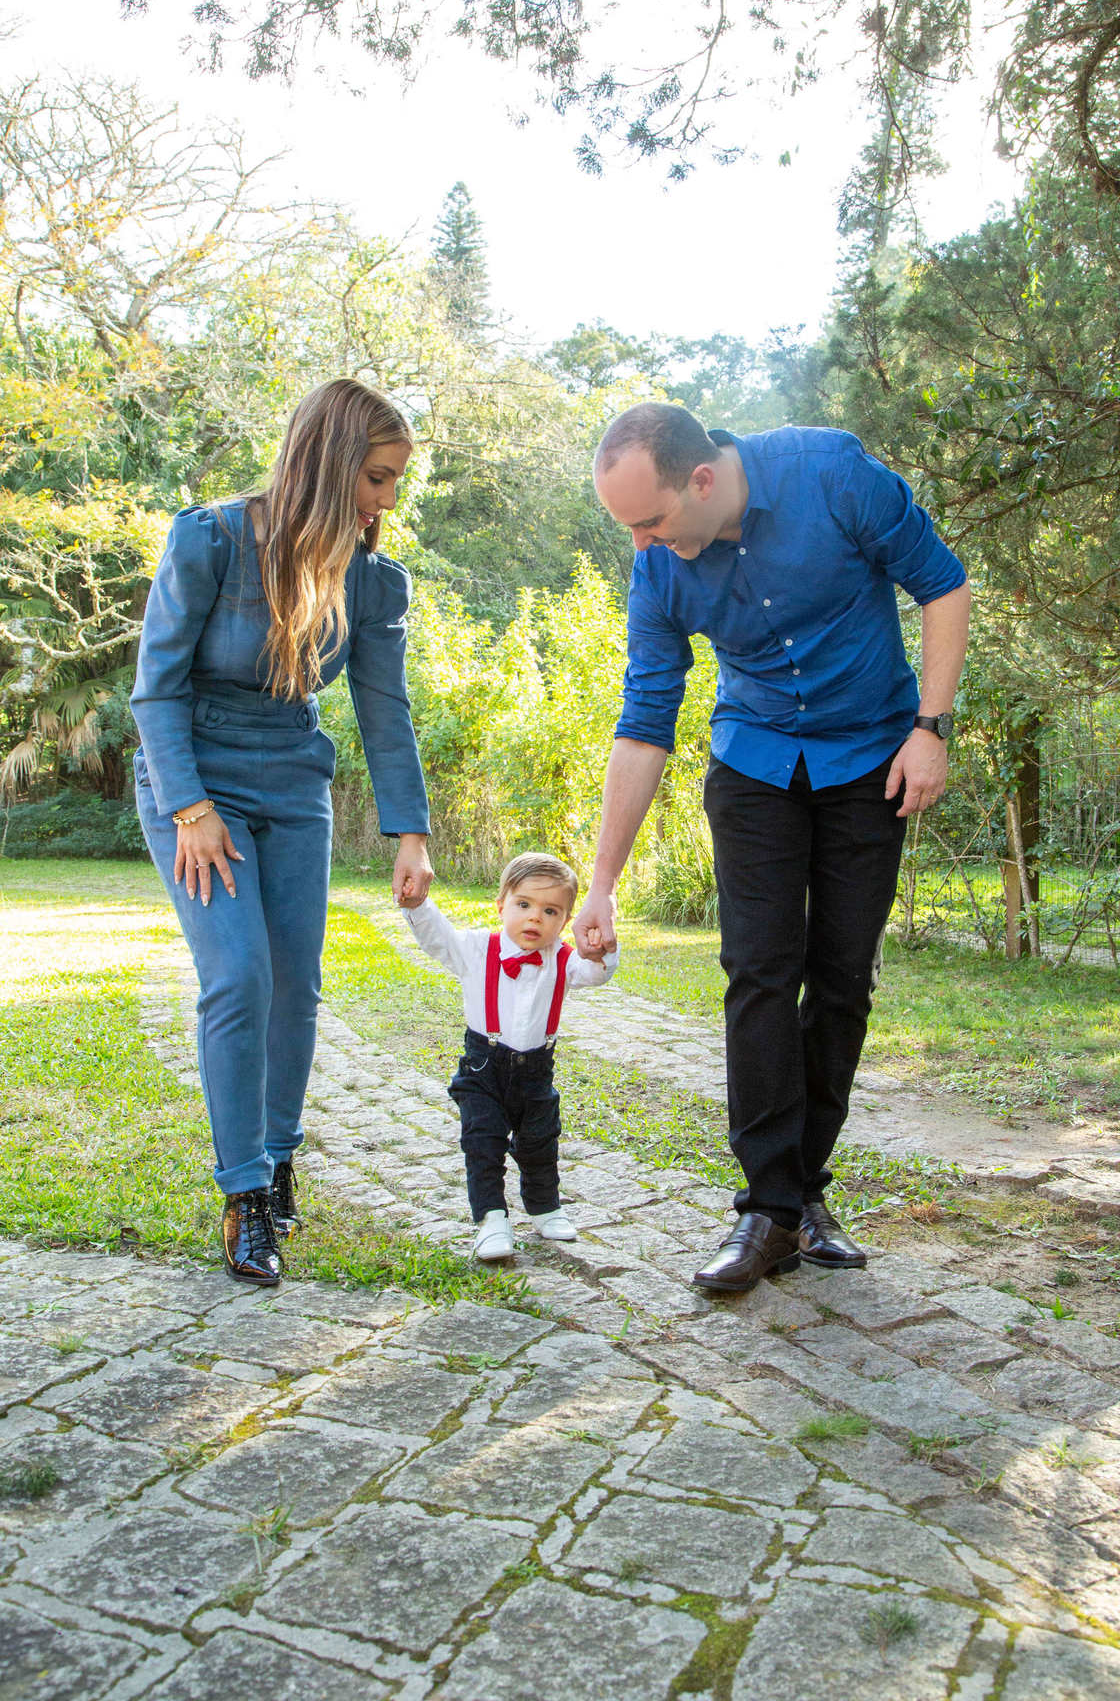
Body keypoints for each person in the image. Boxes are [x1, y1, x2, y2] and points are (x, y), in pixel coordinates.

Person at [574, 403, 970, 1294]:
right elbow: (643, 725)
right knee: (758, 971)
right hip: (754, 766)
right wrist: (601, 884)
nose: (640, 543)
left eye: (651, 520)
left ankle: (803, 1197)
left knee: (840, 981)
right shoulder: (659, 572)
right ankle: (767, 1209)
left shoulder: (834, 476)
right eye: (627, 526)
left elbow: (942, 586)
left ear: (703, 481)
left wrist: (930, 729)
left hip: (873, 758)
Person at [131, 377, 432, 1288]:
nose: (387, 501)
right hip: (193, 778)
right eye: (376, 478)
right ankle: (244, 1196)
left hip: (294, 777)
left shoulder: (373, 582)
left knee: (296, 984)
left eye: (395, 482)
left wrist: (409, 833)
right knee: (239, 975)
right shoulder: (210, 538)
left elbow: (385, 711)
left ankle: (278, 1153)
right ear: (331, 461)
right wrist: (191, 808)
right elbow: (155, 688)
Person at [399, 852, 618, 1261]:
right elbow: (437, 938)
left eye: (550, 911)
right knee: (483, 1142)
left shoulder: (564, 959)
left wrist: (599, 949)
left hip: (536, 1071)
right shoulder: (477, 949)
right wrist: (418, 906)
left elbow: (597, 974)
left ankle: (544, 1207)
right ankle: (491, 1219)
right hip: (484, 1067)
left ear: (566, 919)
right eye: (524, 905)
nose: (535, 918)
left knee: (540, 1142)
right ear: (501, 905)